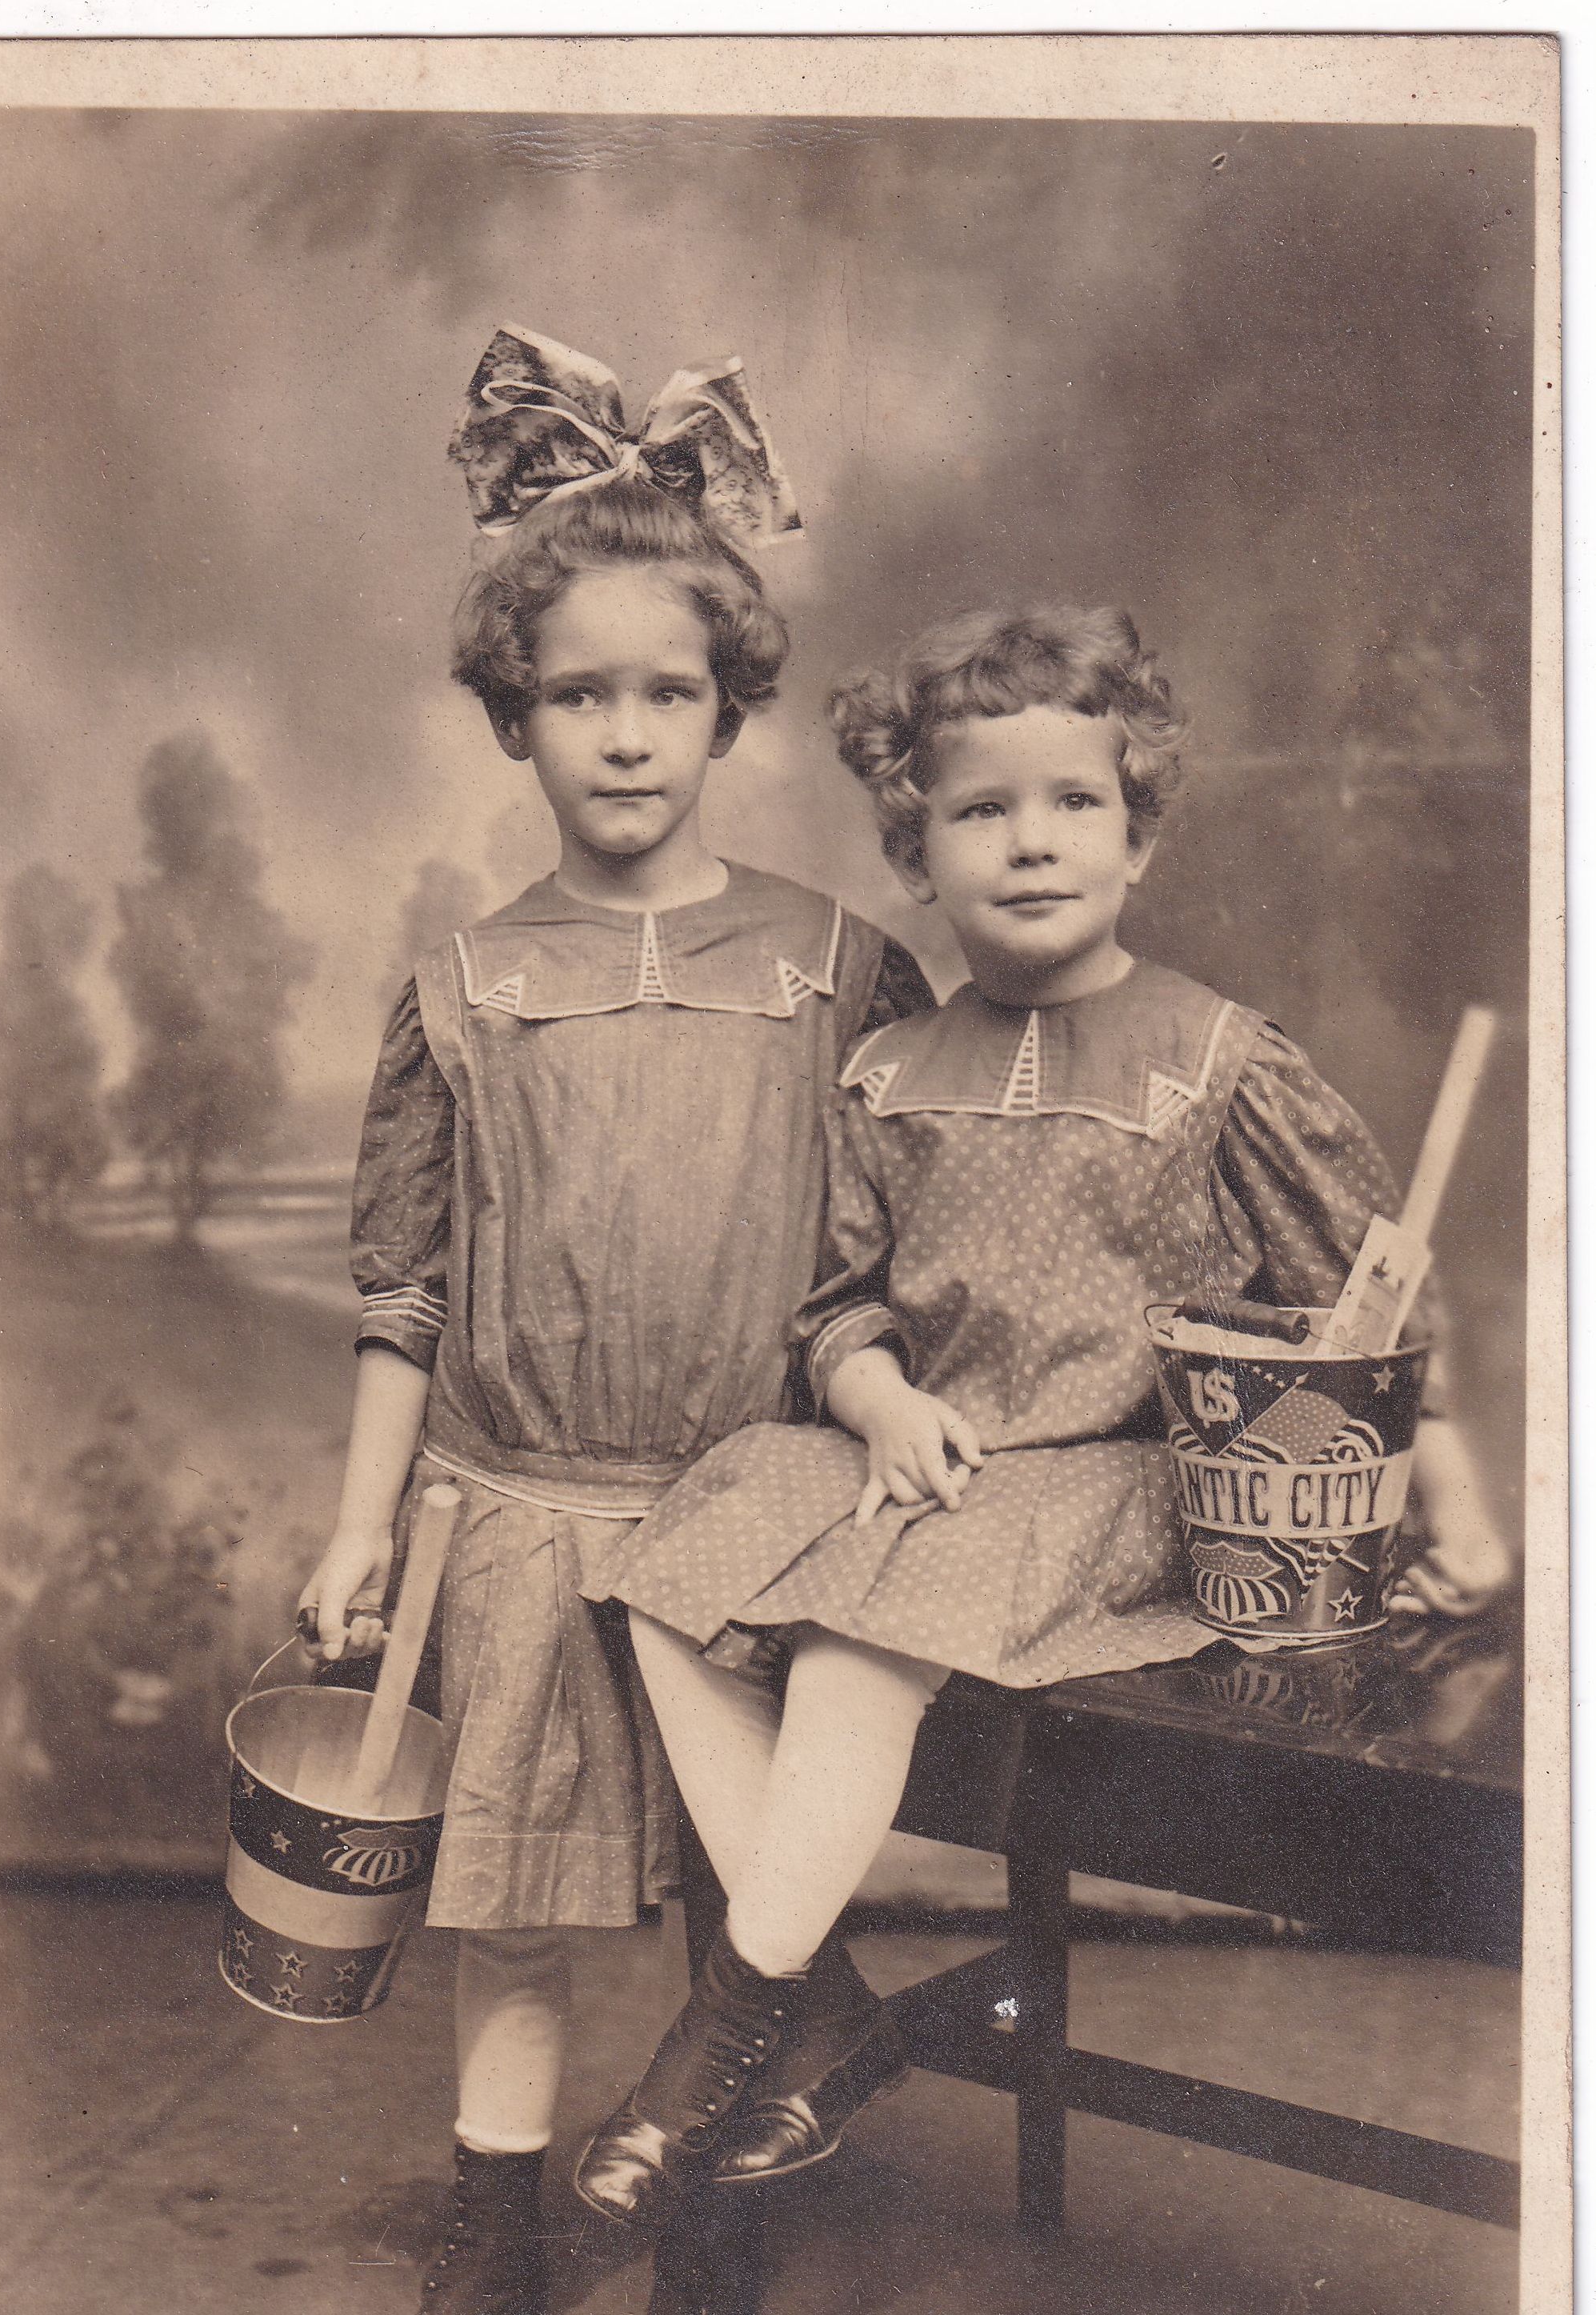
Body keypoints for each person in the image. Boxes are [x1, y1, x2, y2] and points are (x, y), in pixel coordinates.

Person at [576, 601, 1511, 2229]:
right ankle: (817, 2002)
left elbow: (1374, 1316)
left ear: (1137, 837)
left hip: (1122, 1484)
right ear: (914, 851)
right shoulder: (886, 1073)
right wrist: (875, 1398)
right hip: (931, 1462)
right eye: (978, 809)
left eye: (1073, 802)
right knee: (677, 1552)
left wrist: (1469, 1520)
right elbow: (839, 1307)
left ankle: (722, 2029)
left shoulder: (1214, 1058)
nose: (1028, 841)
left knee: (861, 1633)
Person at [295, 327, 930, 2315]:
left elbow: (897, 1257)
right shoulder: (467, 986)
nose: (627, 733)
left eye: (667, 690)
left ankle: (715, 2218)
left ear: (729, 701)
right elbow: (403, 1287)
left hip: (749, 1509)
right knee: (517, 1904)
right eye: (579, 694)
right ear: (513, 712)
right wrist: (362, 1525)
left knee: (742, 1899)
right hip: (519, 1502)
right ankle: (494, 2226)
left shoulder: (837, 968)